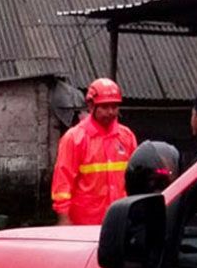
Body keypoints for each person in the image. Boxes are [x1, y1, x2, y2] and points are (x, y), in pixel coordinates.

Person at [51, 77, 138, 225]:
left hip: (119, 220)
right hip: (85, 223)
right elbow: (62, 182)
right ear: (91, 106)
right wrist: (64, 218)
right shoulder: (74, 138)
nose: (110, 112)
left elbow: (135, 179)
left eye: (114, 106)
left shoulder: (126, 136)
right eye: (105, 107)